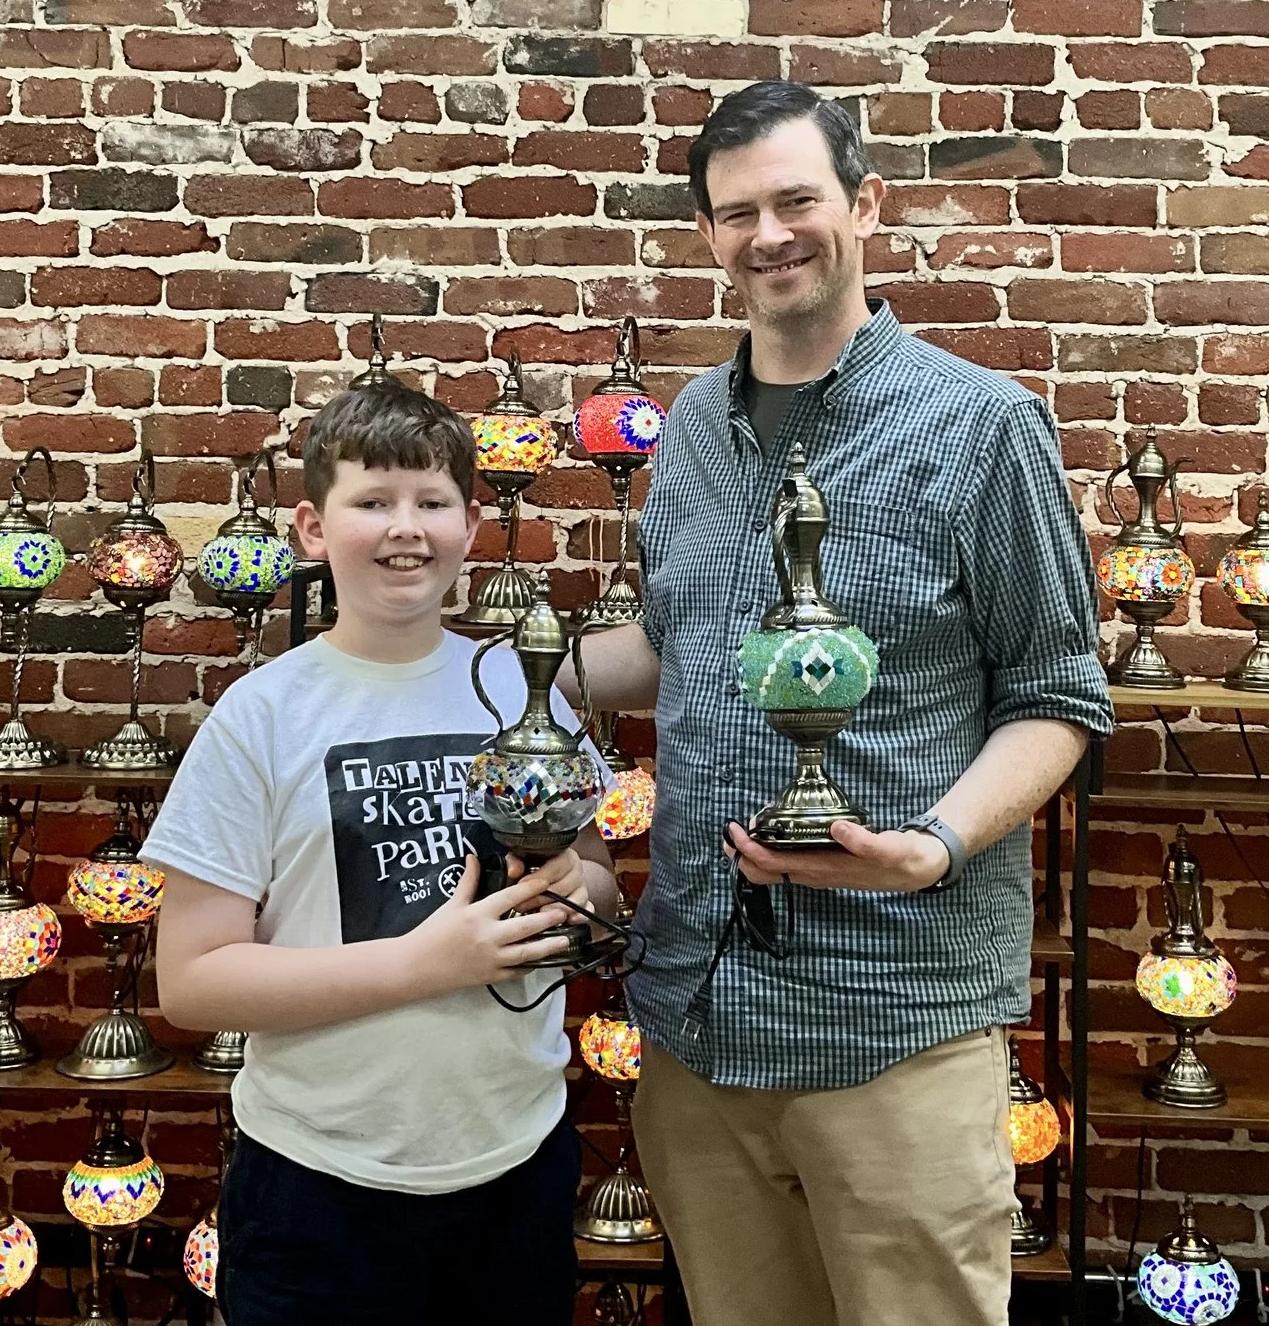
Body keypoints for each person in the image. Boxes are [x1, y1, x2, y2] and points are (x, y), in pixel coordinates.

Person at [569, 79, 1110, 1326]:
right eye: (736, 213)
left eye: (796, 199)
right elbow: (677, 642)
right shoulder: (694, 426)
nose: (769, 235)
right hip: (697, 1010)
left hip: (894, 1014)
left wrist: (933, 846)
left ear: (865, 206)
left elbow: (1056, 693)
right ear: (707, 237)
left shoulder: (983, 425)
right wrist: (482, 662)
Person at [147, 377, 620, 1326]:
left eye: (432, 501)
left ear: (472, 524)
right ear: (312, 529)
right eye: (373, 501)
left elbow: (600, 881)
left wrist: (580, 890)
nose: (406, 528)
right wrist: (425, 962)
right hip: (322, 1183)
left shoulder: (530, 694)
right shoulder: (262, 716)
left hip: (516, 1164)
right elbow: (192, 982)